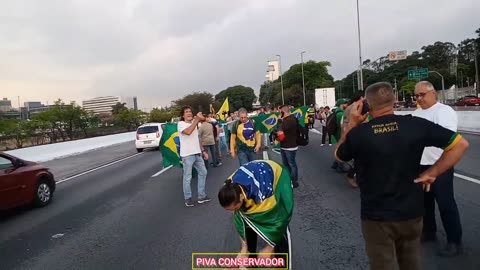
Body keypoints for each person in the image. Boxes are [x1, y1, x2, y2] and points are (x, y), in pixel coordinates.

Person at [335, 82, 469, 270]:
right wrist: (433, 172)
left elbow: (340, 155)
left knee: (383, 264)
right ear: (394, 100)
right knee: (412, 262)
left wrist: (353, 124)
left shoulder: (360, 133)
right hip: (411, 214)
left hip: (376, 217)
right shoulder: (415, 123)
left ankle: (450, 239)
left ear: (368, 106)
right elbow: (460, 144)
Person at [413, 81, 463, 257]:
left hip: (440, 166)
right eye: (416, 95)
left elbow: (448, 140)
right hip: (421, 165)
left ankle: (454, 241)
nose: (419, 98)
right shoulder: (416, 114)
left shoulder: (444, 112)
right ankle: (428, 232)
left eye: (422, 94)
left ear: (433, 93)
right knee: (424, 204)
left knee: (445, 204)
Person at [218, 160, 293, 268]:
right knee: (247, 222)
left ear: (241, 197)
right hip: (254, 174)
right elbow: (240, 221)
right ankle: (251, 262)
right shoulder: (228, 187)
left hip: (277, 177)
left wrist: (269, 248)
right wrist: (244, 249)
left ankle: (282, 265)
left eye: (234, 208)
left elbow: (280, 221)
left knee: (280, 234)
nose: (233, 212)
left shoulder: (264, 194)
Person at [177, 106, 212, 207]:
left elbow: (197, 138)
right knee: (187, 177)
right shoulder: (181, 124)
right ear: (183, 115)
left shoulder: (194, 124)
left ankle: (201, 196)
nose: (189, 113)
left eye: (190, 112)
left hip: (197, 153)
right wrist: (196, 120)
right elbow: (188, 132)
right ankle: (188, 198)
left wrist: (203, 151)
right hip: (187, 155)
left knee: (203, 172)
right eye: (186, 112)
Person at [277, 105, 300, 188]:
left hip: (290, 146)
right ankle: (289, 179)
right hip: (284, 145)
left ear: (283, 112)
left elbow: (279, 129)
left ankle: (294, 181)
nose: (279, 114)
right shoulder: (288, 119)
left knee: (291, 164)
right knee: (286, 164)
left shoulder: (290, 120)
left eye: (280, 112)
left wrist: (279, 120)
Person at [331, 99, 349, 172]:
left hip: (336, 135)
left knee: (338, 149)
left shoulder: (336, 112)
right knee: (342, 150)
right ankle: (340, 167)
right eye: (345, 103)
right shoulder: (341, 114)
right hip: (340, 135)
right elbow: (343, 126)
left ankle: (335, 164)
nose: (347, 105)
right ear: (341, 104)